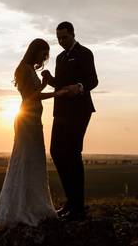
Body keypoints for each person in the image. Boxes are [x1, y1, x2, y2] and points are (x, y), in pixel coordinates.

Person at [0, 38, 75, 230]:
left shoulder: (29, 69)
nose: (44, 58)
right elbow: (30, 97)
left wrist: (45, 83)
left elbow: (33, 92)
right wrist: (56, 93)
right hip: (27, 121)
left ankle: (31, 204)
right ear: (35, 51)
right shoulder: (23, 69)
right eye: (43, 54)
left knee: (34, 160)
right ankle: (19, 207)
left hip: (34, 121)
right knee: (25, 159)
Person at [41, 21, 98, 221]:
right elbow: (61, 84)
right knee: (56, 152)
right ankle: (70, 201)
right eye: (58, 38)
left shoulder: (85, 53)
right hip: (61, 111)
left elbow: (93, 80)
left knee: (73, 154)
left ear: (73, 34)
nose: (61, 41)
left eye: (64, 37)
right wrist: (50, 79)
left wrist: (80, 86)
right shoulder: (60, 57)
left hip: (80, 110)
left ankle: (78, 207)